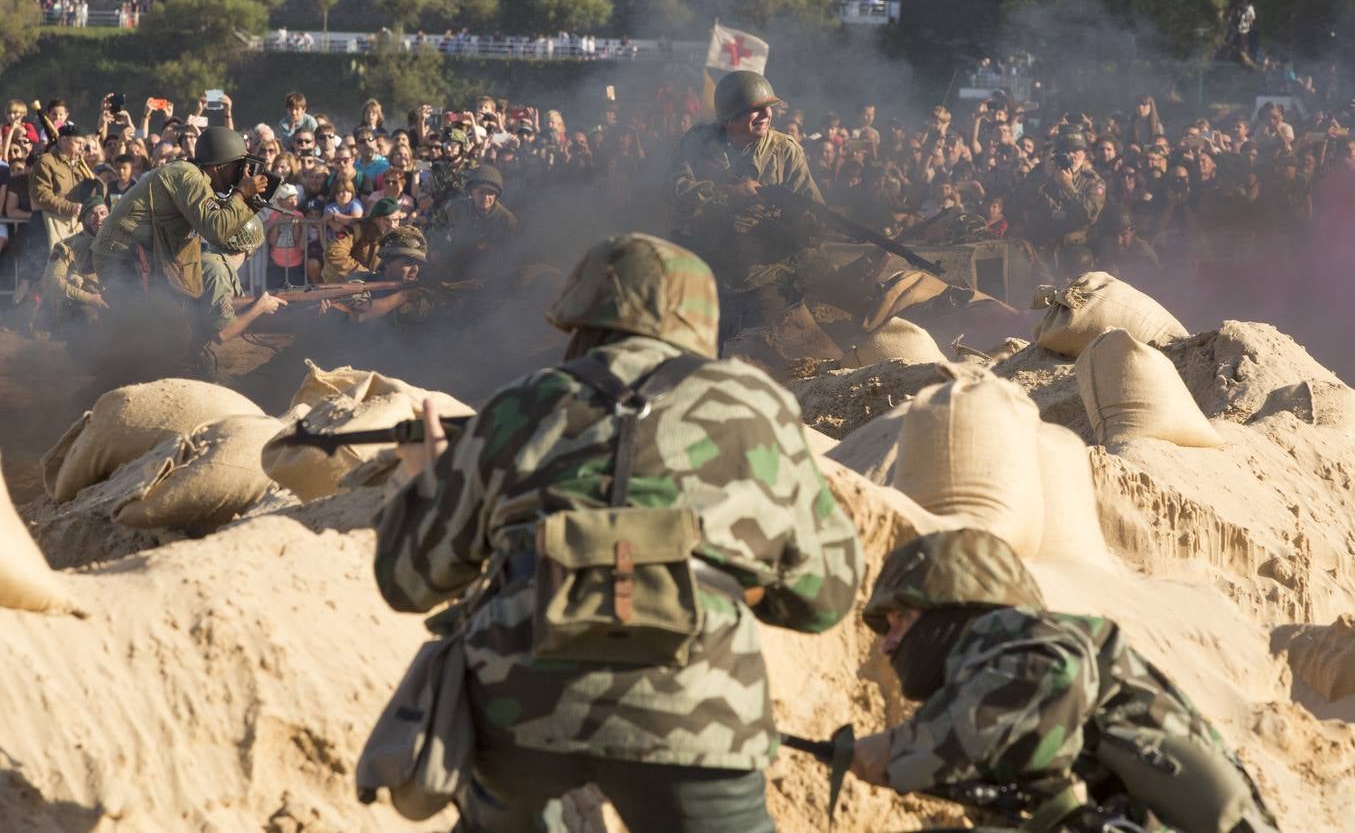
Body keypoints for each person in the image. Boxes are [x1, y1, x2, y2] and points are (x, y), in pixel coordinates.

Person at [374, 232, 861, 832]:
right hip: (697, 706)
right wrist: (727, 578)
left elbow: (409, 583)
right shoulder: (756, 405)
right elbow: (825, 596)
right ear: (700, 323)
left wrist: (424, 481)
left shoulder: (517, 406)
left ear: (579, 317)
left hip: (519, 703)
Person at [853, 529, 1278, 833]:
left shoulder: (1013, 632)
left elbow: (1049, 674)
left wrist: (900, 748)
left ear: (953, 607)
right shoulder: (988, 678)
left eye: (900, 621)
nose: (887, 645)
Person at [664, 70, 825, 330]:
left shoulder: (785, 150)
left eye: (768, 108)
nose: (766, 115)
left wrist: (794, 221)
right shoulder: (698, 143)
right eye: (756, 110)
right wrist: (728, 195)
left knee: (763, 346)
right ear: (730, 118)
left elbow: (814, 215)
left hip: (764, 275)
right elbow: (675, 193)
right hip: (704, 270)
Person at [91, 126, 269, 298]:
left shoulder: (196, 178)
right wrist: (241, 193)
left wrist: (247, 198)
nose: (240, 173)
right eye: (237, 166)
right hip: (121, 254)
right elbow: (217, 230)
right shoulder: (187, 176)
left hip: (137, 254)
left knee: (165, 319)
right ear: (218, 167)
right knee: (144, 322)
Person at [196, 216, 287, 360]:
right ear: (250, 249)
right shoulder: (218, 271)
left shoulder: (217, 263)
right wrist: (259, 307)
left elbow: (238, 313)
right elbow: (223, 334)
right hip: (186, 354)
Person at [1019, 127, 1106, 256]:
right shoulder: (1042, 172)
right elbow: (1019, 203)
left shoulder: (1093, 181)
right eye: (1065, 151)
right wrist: (1043, 178)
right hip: (1041, 241)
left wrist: (1068, 185)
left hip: (1075, 247)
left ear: (1084, 154)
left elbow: (1090, 215)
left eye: (1076, 151)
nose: (1071, 156)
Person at [431, 164, 519, 278]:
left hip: (489, 270)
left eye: (490, 193)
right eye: (481, 192)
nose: (486, 197)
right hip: (456, 260)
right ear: (472, 192)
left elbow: (514, 252)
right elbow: (437, 226)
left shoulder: (507, 220)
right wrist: (435, 248)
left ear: (496, 195)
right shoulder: (455, 208)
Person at [41, 196, 109, 335]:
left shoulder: (118, 243)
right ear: (83, 219)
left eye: (103, 213)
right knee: (89, 321)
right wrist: (90, 299)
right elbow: (54, 281)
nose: (99, 218)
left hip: (112, 300)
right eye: (92, 214)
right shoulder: (66, 247)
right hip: (82, 306)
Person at [29, 122, 93, 254]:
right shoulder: (46, 162)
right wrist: (70, 207)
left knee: (73, 269)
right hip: (48, 224)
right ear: (63, 140)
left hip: (74, 223)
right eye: (78, 143)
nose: (82, 147)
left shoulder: (79, 165)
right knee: (49, 268)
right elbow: (41, 194)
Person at [322, 196, 400, 282]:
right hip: (350, 286)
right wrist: (363, 273)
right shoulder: (357, 229)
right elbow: (334, 252)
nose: (393, 225)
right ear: (375, 219)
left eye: (396, 220)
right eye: (387, 220)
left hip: (381, 287)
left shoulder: (400, 236)